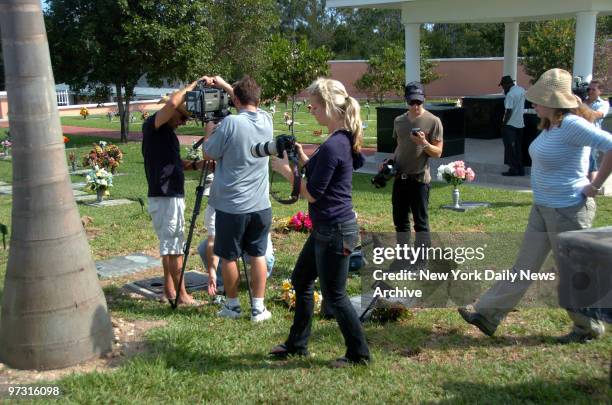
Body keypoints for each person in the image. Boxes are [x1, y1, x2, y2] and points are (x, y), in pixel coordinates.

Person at [458, 68, 612, 343]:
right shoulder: (550, 125)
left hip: (568, 211)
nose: (533, 102)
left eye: (539, 98)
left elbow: (610, 145)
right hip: (542, 208)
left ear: (554, 101)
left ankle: (588, 327)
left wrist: (596, 183)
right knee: (523, 266)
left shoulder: (573, 125)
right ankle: (487, 314)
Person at [269, 78, 371, 368]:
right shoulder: (343, 139)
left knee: (335, 295)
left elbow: (312, 194)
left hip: (334, 229)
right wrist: (302, 157)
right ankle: (297, 344)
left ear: (328, 106)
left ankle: (359, 354)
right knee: (301, 280)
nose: (310, 110)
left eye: (314, 105)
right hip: (329, 227)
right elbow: (335, 169)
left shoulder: (334, 145)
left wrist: (288, 171)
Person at [202, 75, 273, 322]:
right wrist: (225, 86)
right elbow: (246, 100)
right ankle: (258, 308)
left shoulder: (231, 123)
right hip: (261, 204)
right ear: (258, 99)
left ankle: (232, 306)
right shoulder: (267, 119)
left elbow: (209, 152)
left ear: (235, 100)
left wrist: (209, 126)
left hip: (232, 205)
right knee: (257, 254)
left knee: (229, 256)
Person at [141, 77, 210, 305]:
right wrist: (193, 85)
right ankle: (182, 296)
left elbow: (170, 162)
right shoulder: (153, 125)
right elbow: (171, 104)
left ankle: (169, 291)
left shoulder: (165, 134)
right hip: (165, 195)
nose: (183, 121)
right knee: (174, 247)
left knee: (169, 246)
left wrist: (195, 165)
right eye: (182, 116)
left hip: (168, 194)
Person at [197, 173, 276, 297]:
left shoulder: (243, 199)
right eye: (209, 195)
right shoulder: (212, 209)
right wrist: (212, 271)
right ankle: (223, 280)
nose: (212, 198)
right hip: (233, 243)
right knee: (204, 248)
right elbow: (212, 241)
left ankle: (256, 281)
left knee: (262, 256)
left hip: (252, 245)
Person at [388, 82, 443, 248]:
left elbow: (438, 152)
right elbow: (400, 146)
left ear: (424, 99)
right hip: (400, 179)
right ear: (406, 100)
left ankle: (421, 262)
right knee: (400, 222)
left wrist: (424, 143)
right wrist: (389, 162)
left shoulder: (433, 121)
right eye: (412, 102)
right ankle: (403, 258)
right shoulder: (399, 121)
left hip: (419, 180)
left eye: (419, 102)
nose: (415, 106)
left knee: (420, 224)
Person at [499, 75, 526, 176]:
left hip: (510, 125)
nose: (503, 88)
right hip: (520, 124)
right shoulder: (521, 90)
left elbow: (508, 111)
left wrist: (504, 124)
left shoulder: (510, 94)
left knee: (510, 149)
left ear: (507, 84)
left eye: (503, 86)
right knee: (518, 148)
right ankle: (520, 169)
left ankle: (513, 169)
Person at [586, 79, 610, 182]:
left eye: (593, 89)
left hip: (592, 136)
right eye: (588, 89)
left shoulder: (603, 103)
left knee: (591, 161)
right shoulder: (583, 100)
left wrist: (580, 108)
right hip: (577, 134)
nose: (590, 91)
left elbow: (597, 115)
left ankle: (593, 187)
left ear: (600, 91)